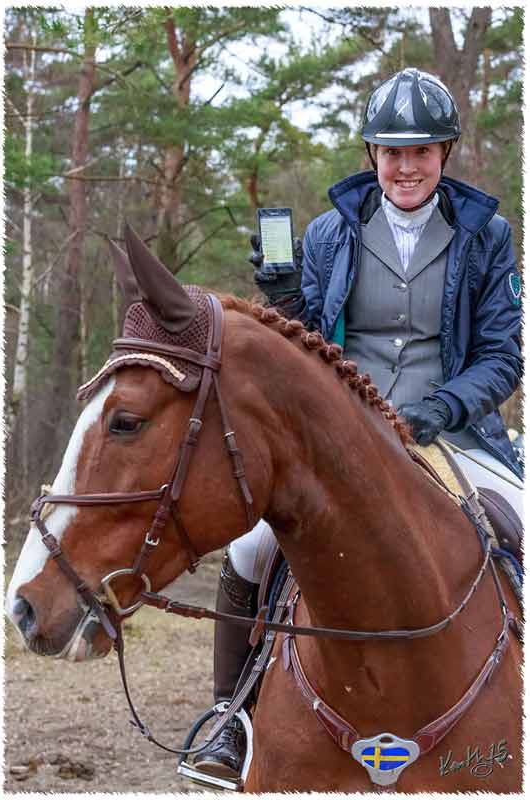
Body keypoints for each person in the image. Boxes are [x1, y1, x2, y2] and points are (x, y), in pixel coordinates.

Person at [193, 68, 523, 780]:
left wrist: (440, 408)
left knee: (524, 526)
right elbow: (306, 352)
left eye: (421, 152)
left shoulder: (487, 237)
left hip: (451, 433)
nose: (406, 167)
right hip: (346, 438)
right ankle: (228, 717)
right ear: (370, 154)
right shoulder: (325, 234)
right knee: (251, 547)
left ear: (445, 153)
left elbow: (501, 357)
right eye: (391, 152)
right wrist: (285, 305)